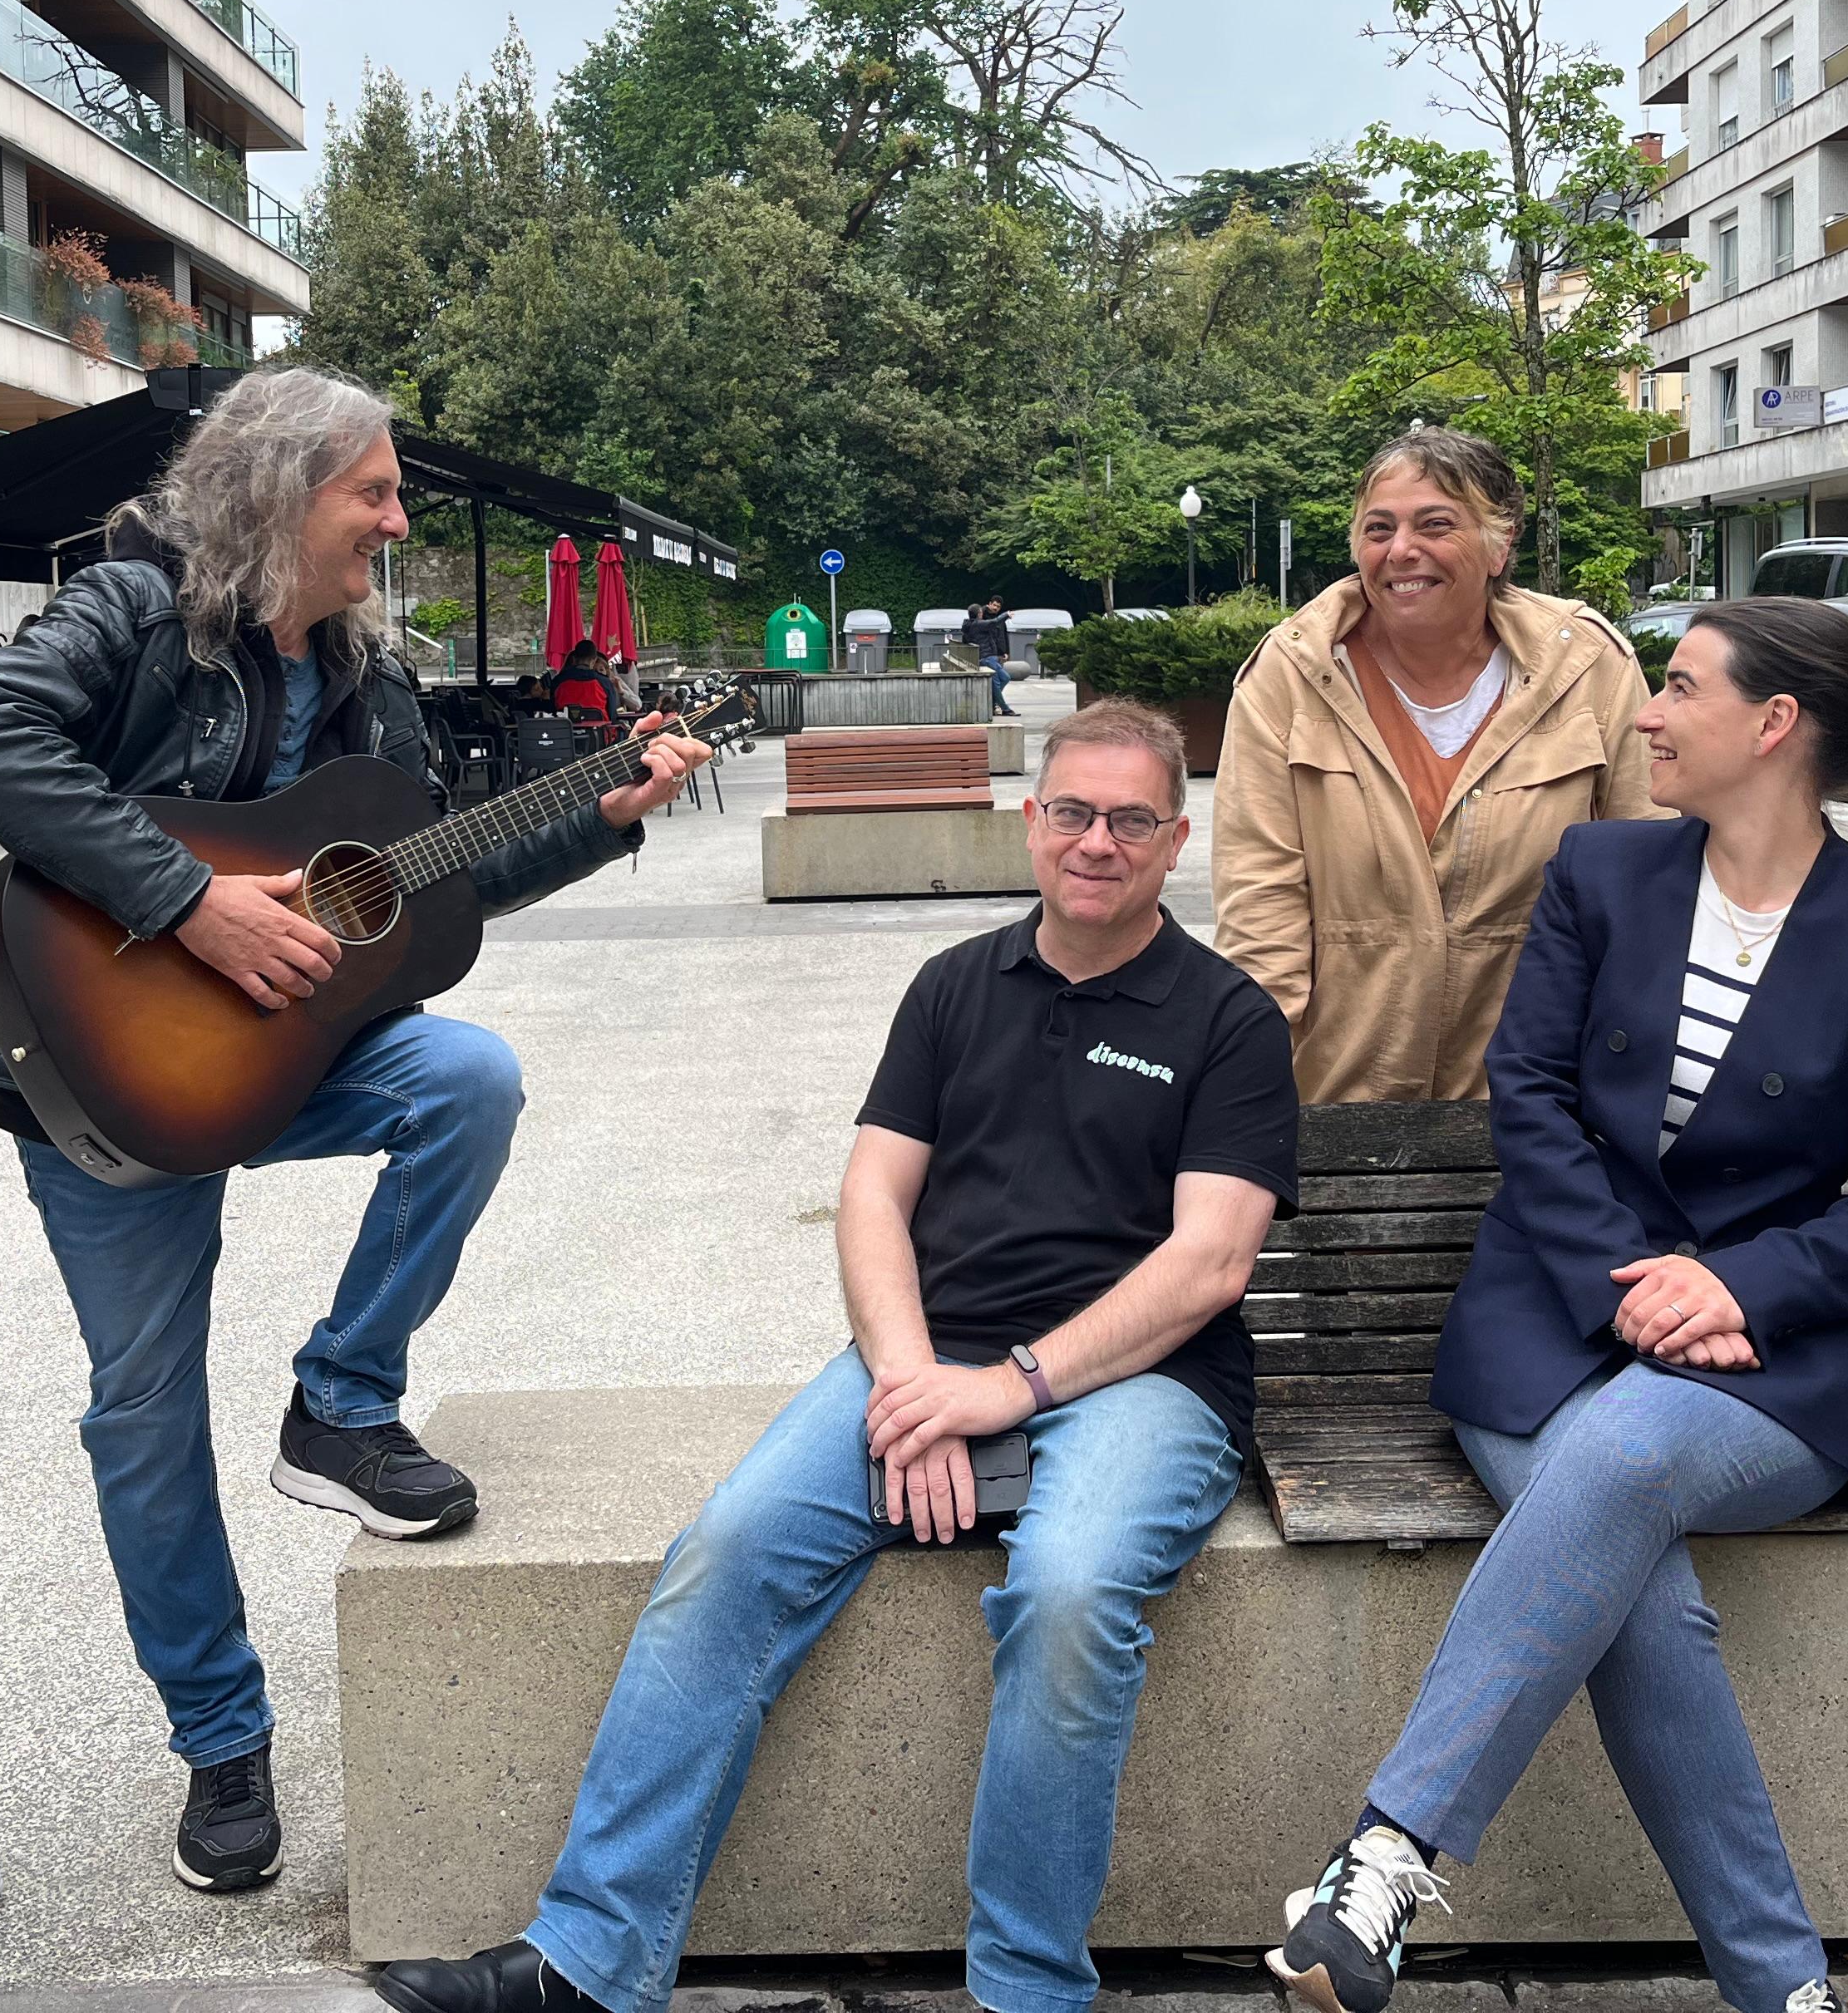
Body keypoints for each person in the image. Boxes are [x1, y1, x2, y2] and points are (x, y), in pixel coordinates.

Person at [0, 365, 707, 1897]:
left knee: (465, 1073)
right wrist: (186, 897)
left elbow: (410, 890)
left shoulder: (361, 667)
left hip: (290, 1057)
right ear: (284, 490)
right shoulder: (134, 604)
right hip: (107, 1070)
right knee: (142, 1417)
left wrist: (595, 812)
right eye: (377, 492)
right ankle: (221, 1738)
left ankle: (339, 1400)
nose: (397, 521)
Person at [375, 699, 1297, 2013]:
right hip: (930, 1352)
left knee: (1073, 1593)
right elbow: (873, 1200)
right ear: (1031, 824)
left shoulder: (1228, 1021)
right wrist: (918, 1382)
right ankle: (587, 1957)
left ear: (1174, 836)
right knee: (733, 1549)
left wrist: (1007, 1391)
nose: (1098, 841)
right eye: (1073, 813)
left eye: (1131, 819)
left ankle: (1028, 1990)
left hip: (1146, 1385)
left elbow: (1209, 1263)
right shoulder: (954, 988)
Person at [1264, 598, 1848, 2013]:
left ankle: (1389, 1849)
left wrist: (1734, 1282)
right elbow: (1524, 1099)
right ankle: (1783, 1987)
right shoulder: (1604, 872)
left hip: (1771, 1361)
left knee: (1625, 1457)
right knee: (1635, 1582)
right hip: (1550, 1318)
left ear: (1771, 724)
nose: (1646, 712)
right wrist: (1642, 1288)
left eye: (1677, 686)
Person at [1215, 428, 1655, 1102]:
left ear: (1500, 543)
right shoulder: (1291, 672)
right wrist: (1246, 1091)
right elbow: (1259, 905)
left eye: (1436, 524)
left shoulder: (1589, 667)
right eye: (1379, 528)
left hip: (1541, 1101)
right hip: (1335, 1095)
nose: (1400, 551)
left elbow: (1650, 885)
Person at [961, 598, 1018, 716]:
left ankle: (991, 703)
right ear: (979, 614)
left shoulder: (971, 625)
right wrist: (1006, 615)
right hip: (986, 657)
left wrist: (1003, 651)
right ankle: (1005, 709)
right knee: (996, 683)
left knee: (1006, 677)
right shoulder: (978, 624)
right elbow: (994, 622)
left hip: (991, 656)